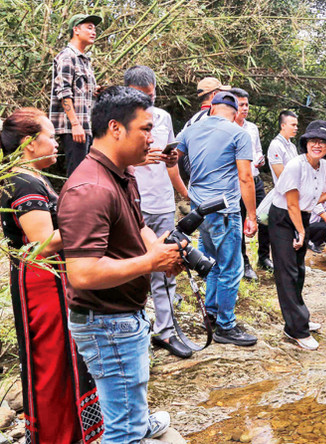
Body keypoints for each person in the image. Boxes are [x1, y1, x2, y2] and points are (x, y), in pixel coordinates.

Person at [59, 87, 182, 442]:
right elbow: (82, 273)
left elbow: (139, 226)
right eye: (145, 129)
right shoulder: (91, 189)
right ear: (115, 128)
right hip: (107, 322)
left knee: (129, 395)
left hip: (121, 315)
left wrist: (158, 251)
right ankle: (132, 428)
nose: (152, 138)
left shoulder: (119, 173)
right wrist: (149, 261)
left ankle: (138, 421)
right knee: (122, 431)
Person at [0, 108, 103, 443]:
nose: (57, 142)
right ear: (29, 143)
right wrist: (89, 221)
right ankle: (58, 435)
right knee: (53, 358)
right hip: (42, 283)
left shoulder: (27, 177)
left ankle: (67, 432)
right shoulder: (24, 182)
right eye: (51, 136)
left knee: (59, 356)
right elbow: (42, 244)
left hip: (42, 279)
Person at [176, 91, 259, 347]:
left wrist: (184, 191)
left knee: (211, 263)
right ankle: (225, 325)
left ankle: (211, 314)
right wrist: (252, 215)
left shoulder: (190, 131)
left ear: (211, 109)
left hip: (199, 211)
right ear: (234, 114)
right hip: (225, 211)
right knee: (231, 268)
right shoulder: (238, 133)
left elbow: (169, 159)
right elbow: (245, 177)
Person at [124, 65, 192, 359]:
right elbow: (107, 161)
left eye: (150, 96)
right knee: (129, 269)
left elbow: (170, 161)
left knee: (166, 267)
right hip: (131, 202)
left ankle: (165, 331)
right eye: (140, 96)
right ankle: (131, 333)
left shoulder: (163, 117)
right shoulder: (115, 119)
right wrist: (138, 159)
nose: (146, 102)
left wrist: (172, 158)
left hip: (162, 201)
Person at [269, 120, 326, 350]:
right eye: (313, 141)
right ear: (306, 143)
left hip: (302, 215)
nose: (317, 145)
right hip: (283, 218)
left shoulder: (325, 167)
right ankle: (296, 330)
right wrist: (301, 231)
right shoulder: (295, 166)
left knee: (299, 271)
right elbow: (292, 203)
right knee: (287, 272)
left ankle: (298, 317)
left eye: (322, 142)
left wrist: (315, 199)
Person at [49, 13, 102, 176]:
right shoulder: (67, 56)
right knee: (76, 174)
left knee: (85, 173)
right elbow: (63, 91)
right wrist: (75, 125)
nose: (93, 32)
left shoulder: (84, 60)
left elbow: (80, 91)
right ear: (76, 30)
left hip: (85, 125)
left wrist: (95, 90)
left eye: (94, 29)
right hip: (73, 127)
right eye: (89, 27)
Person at [230, 87, 270, 280]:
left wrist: (260, 159)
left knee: (265, 217)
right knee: (238, 222)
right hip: (237, 182)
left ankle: (264, 256)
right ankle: (244, 262)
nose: (245, 108)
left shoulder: (252, 128)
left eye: (247, 104)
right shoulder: (228, 128)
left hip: (255, 178)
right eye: (241, 105)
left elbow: (257, 150)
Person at [176, 77, 231, 185]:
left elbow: (176, 148)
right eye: (222, 93)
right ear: (215, 95)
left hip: (197, 179)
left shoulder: (193, 120)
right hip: (212, 180)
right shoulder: (212, 118)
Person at [267, 110, 299, 187]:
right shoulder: (276, 145)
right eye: (293, 125)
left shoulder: (292, 146)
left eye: (296, 125)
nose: (296, 128)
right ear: (283, 126)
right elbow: (281, 177)